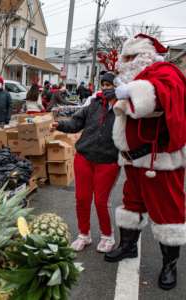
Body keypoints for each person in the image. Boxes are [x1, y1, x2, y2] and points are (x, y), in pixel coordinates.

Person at [104, 34, 186, 291]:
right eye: (123, 58)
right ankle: (128, 246)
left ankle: (170, 265)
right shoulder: (138, 76)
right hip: (133, 159)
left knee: (167, 211)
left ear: (144, 56)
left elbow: (161, 98)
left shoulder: (165, 72)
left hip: (158, 159)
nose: (123, 63)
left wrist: (129, 92)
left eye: (129, 58)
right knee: (132, 203)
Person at [51, 72, 120, 252]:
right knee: (82, 199)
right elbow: (76, 122)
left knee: (101, 201)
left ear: (118, 86)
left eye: (109, 84)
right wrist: (60, 125)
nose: (105, 88)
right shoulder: (94, 103)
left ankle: (107, 235)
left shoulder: (124, 107)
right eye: (103, 84)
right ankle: (84, 234)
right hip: (84, 157)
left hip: (108, 161)